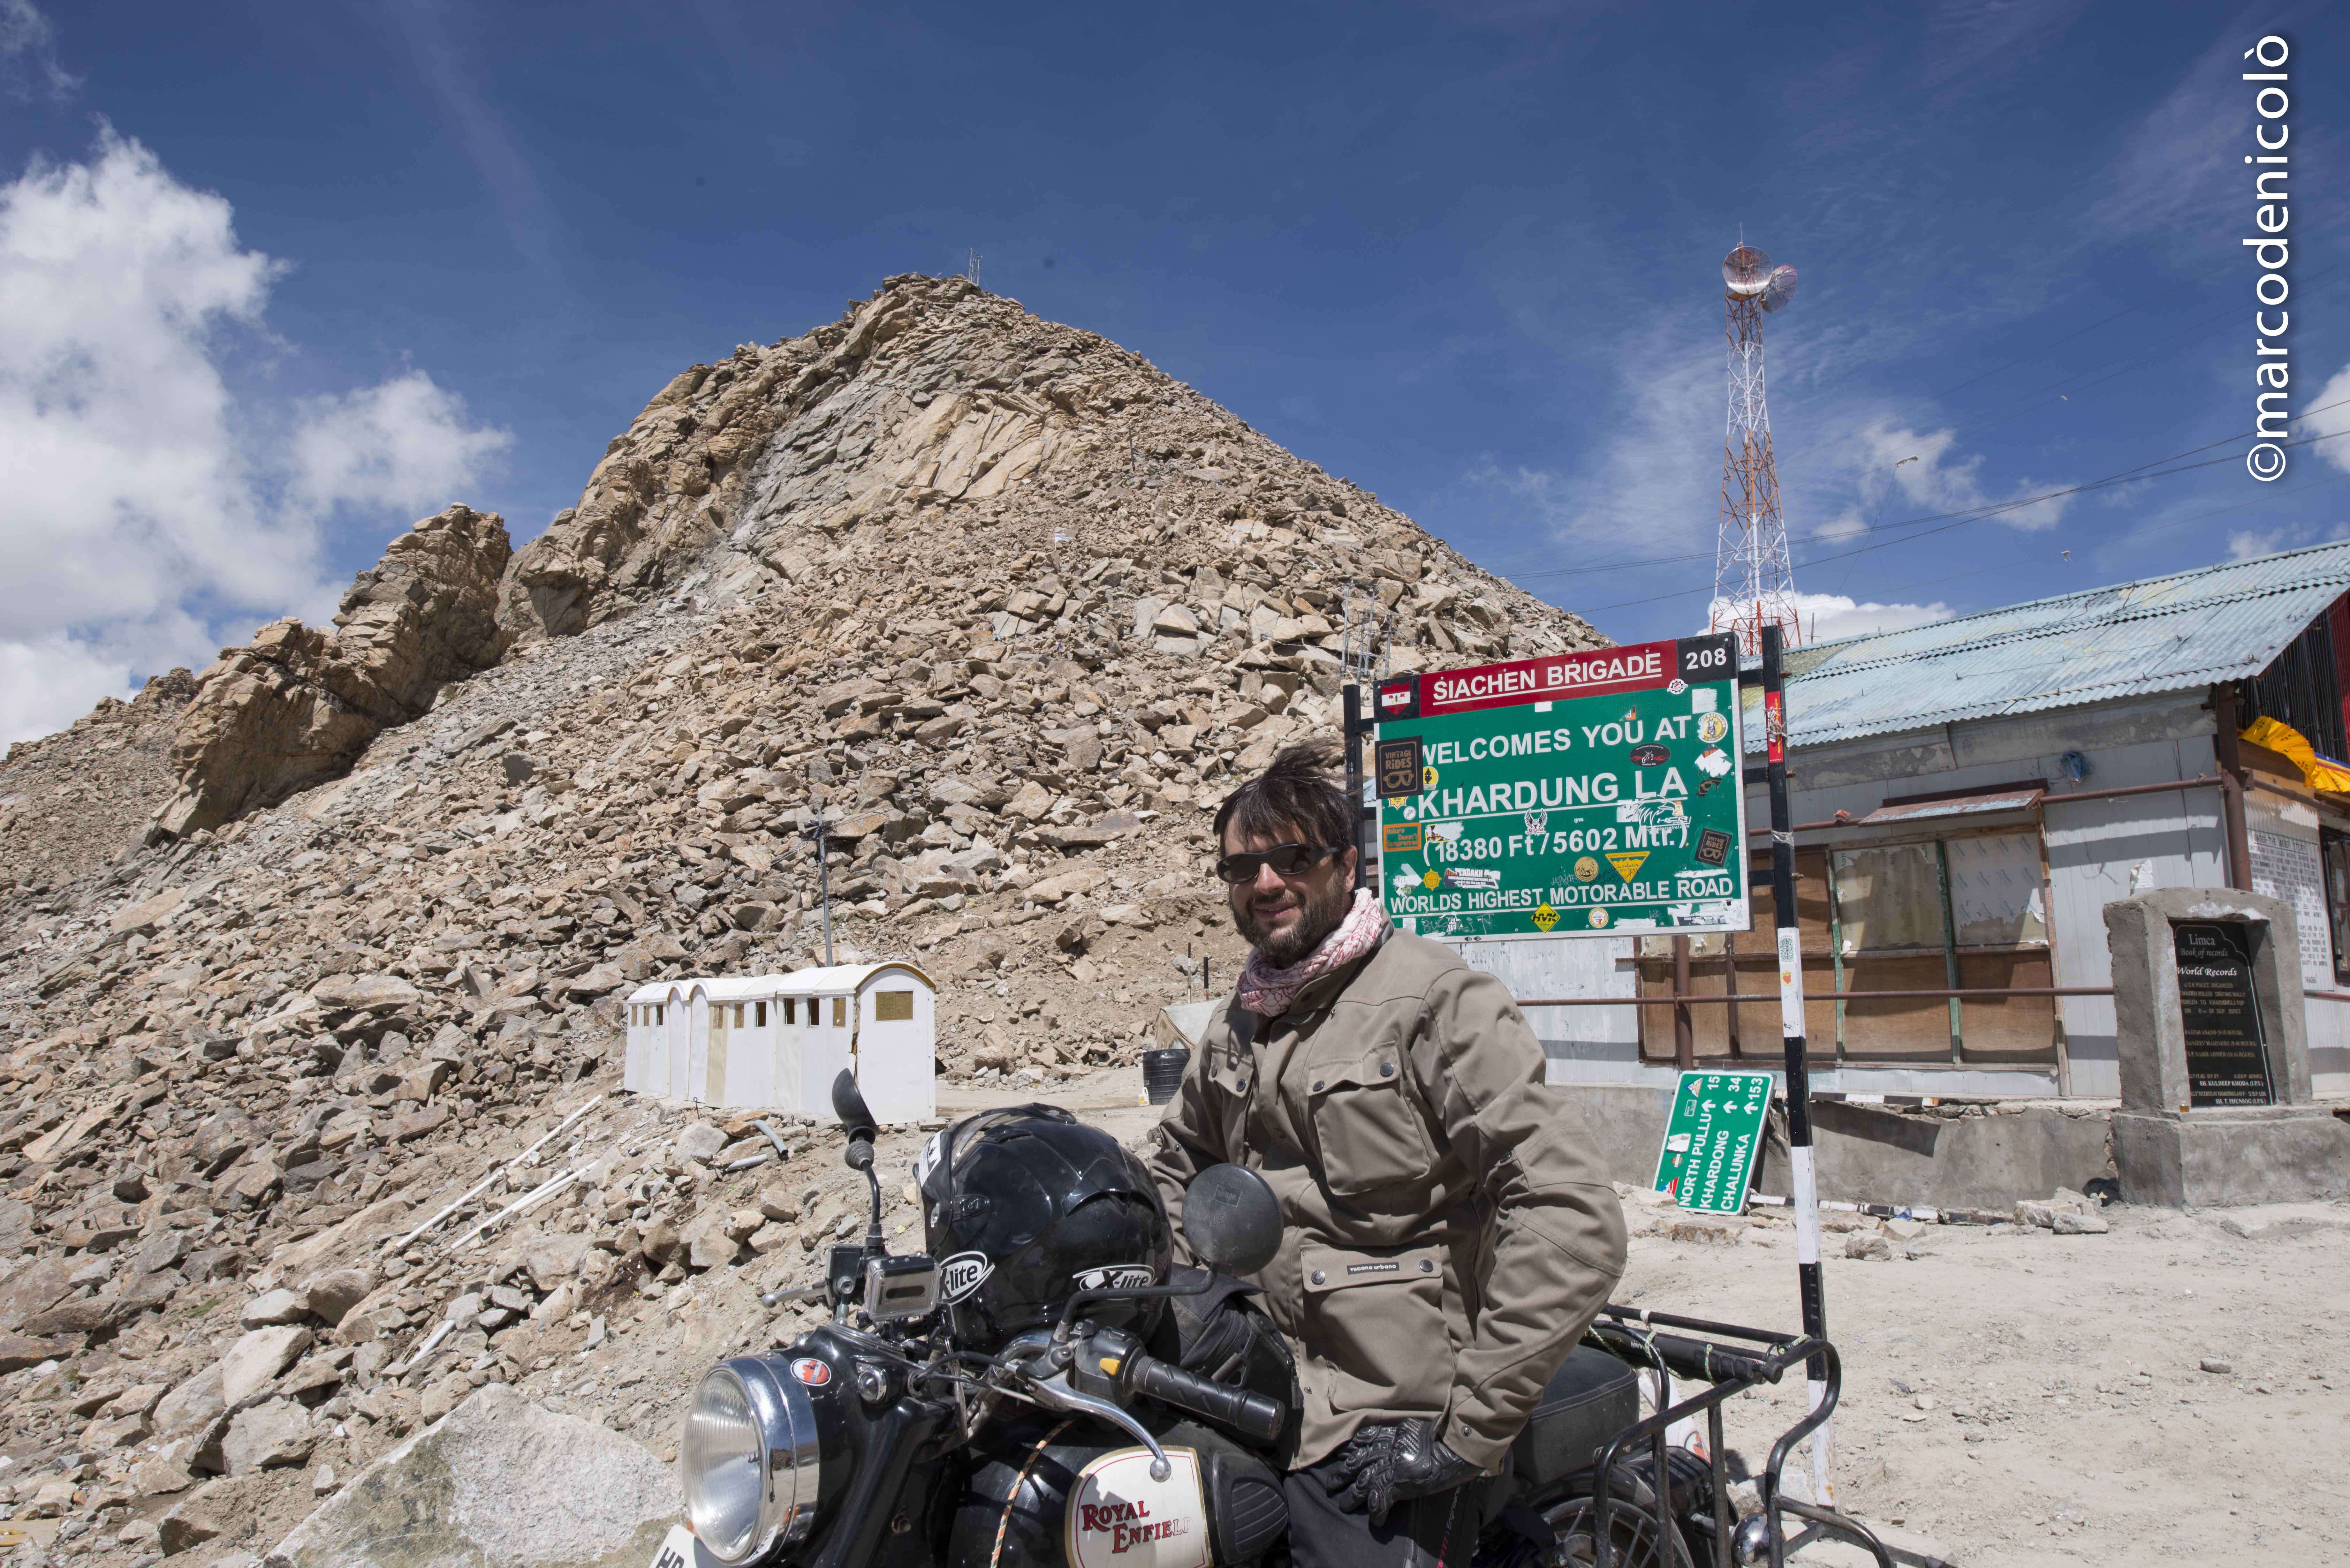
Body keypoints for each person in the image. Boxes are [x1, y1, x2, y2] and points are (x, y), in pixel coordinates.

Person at [1146, 742, 1627, 1568]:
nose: (1265, 884)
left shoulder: (1433, 1001)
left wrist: (1465, 1435)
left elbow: (1572, 1215)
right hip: (1254, 1387)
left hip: (1387, 1416)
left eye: (1292, 858)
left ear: (1346, 864)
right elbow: (1175, 1166)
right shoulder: (1242, 1017)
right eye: (1241, 869)